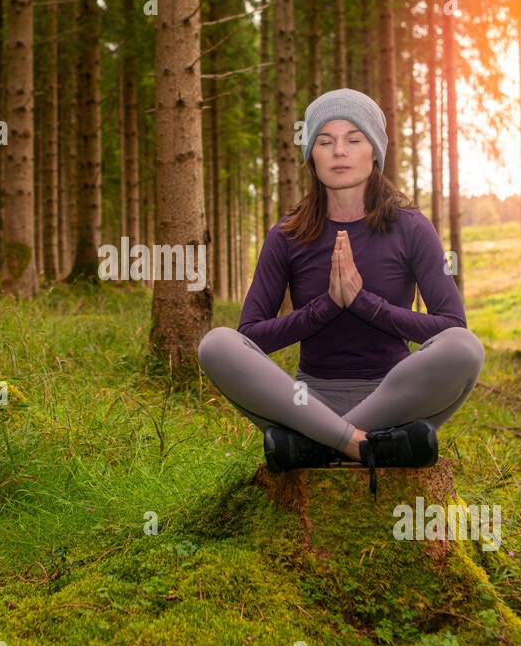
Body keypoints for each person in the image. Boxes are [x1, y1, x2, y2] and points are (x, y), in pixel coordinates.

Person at [197, 88, 485, 495]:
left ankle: (315, 447)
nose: (339, 152)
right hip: (305, 402)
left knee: (465, 347)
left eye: (354, 139)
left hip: (392, 398)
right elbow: (251, 336)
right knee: (216, 344)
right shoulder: (288, 234)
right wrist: (326, 307)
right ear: (311, 156)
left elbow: (451, 324)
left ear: (375, 152)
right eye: (325, 141)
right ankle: (361, 445)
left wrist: (365, 304)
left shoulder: (411, 227)